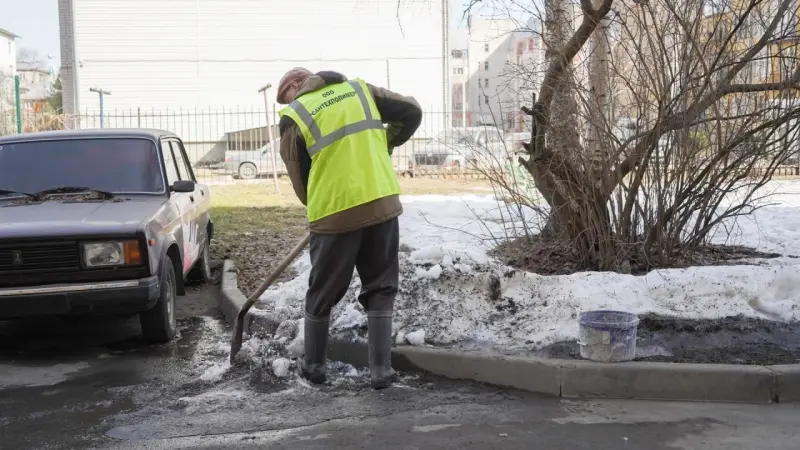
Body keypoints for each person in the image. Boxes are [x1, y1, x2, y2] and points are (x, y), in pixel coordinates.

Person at [276, 68, 422, 389]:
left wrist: (320, 199)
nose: (286, 102)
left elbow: (301, 185)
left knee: (322, 292)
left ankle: (314, 368)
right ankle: (381, 372)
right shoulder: (360, 91)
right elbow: (412, 112)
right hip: (382, 203)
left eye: (284, 94)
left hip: (334, 213)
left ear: (297, 84)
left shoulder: (294, 116)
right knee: (381, 287)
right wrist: (384, 144)